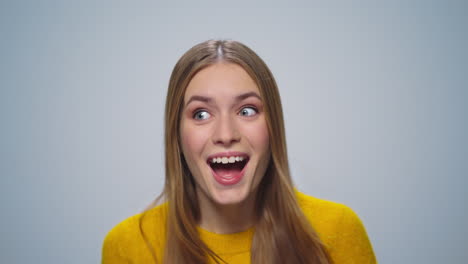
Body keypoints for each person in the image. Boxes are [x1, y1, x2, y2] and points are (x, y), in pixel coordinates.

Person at [102, 39, 377, 264]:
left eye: (247, 111)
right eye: (200, 114)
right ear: (177, 133)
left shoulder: (336, 231)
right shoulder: (129, 246)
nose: (226, 135)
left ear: (274, 128)